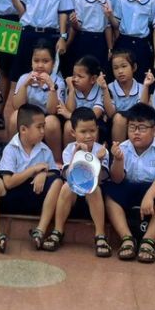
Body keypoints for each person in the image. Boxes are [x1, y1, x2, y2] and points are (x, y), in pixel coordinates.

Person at [104, 102, 155, 264]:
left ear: (154, 130)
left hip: (153, 189)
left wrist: (150, 195)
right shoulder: (123, 147)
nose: (136, 132)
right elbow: (117, 179)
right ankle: (127, 239)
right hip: (130, 187)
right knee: (110, 191)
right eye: (132, 127)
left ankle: (148, 241)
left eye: (142, 128)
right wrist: (118, 160)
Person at [0, 104, 61, 253]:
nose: (43, 131)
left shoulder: (45, 150)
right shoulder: (10, 149)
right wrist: (33, 170)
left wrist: (43, 174)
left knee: (57, 182)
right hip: (12, 196)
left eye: (44, 126)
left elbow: (54, 173)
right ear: (24, 129)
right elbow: (8, 182)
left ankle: (40, 231)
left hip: (35, 196)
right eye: (39, 127)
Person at [41, 106, 111, 257]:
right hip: (72, 195)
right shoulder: (69, 150)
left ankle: (100, 235)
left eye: (92, 131)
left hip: (94, 197)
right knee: (67, 187)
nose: (88, 136)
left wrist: (95, 158)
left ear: (97, 129)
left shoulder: (102, 151)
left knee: (93, 187)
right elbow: (69, 176)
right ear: (73, 133)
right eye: (83, 132)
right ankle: (57, 231)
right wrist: (80, 155)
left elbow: (99, 178)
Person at [9, 38, 65, 160]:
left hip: (47, 118)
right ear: (31, 62)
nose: (40, 65)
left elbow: (52, 111)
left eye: (45, 61)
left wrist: (51, 87)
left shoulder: (58, 82)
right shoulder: (24, 78)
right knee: (15, 117)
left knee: (51, 122)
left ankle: (56, 160)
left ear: (53, 63)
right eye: (36, 61)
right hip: (29, 116)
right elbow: (17, 106)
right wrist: (25, 85)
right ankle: (13, 156)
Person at [67, 0, 114, 71]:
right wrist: (74, 22)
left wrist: (110, 48)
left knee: (99, 70)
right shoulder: (80, 1)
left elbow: (107, 27)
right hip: (84, 39)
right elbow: (78, 27)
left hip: (101, 41)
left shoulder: (107, 1)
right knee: (83, 70)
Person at [112, 0, 155, 77]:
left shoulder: (151, 2)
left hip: (142, 43)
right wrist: (109, 15)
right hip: (123, 42)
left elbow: (151, 23)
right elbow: (116, 24)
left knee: (141, 75)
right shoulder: (121, 0)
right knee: (122, 74)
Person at [106, 49, 153, 142]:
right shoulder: (109, 88)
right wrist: (104, 89)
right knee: (119, 118)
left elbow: (142, 112)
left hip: (137, 123)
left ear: (134, 67)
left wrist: (146, 86)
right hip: (115, 125)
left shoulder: (141, 87)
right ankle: (117, 150)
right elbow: (111, 114)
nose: (120, 71)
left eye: (124, 66)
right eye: (115, 68)